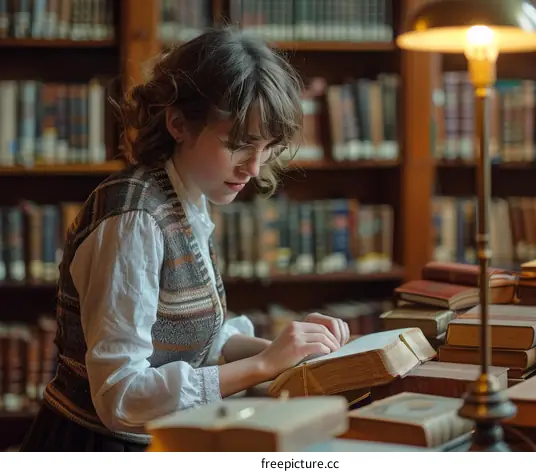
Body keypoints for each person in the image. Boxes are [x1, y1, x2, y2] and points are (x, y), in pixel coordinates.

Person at [20, 26, 350, 452]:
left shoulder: (186, 195)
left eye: (267, 149)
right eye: (238, 145)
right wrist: (266, 364)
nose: (253, 168)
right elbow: (120, 397)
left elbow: (192, 339)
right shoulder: (135, 221)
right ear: (178, 123)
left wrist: (289, 349)